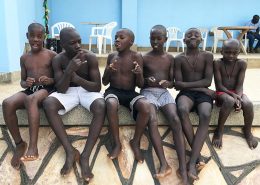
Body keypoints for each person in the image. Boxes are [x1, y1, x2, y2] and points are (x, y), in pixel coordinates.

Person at [42, 27, 105, 182]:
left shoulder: (90, 57)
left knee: (101, 106)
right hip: (68, 91)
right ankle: (70, 151)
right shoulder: (58, 59)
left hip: (86, 90)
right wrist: (69, 71)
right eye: (72, 43)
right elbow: (61, 88)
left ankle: (85, 156)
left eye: (79, 41)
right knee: (48, 103)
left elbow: (97, 87)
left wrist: (77, 79)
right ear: (62, 44)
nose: (77, 45)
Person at [2, 23, 56, 169]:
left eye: (39, 36)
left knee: (30, 99)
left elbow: (59, 79)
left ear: (44, 37)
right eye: (32, 36)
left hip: (47, 90)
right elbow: (22, 81)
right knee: (7, 103)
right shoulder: (24, 58)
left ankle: (33, 147)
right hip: (30, 90)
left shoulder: (51, 55)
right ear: (27, 36)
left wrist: (50, 80)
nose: (36, 39)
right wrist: (26, 83)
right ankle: (20, 144)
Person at [141, 25, 189, 183]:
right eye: (152, 38)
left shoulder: (170, 58)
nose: (155, 41)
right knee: (152, 119)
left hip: (163, 93)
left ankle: (182, 167)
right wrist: (145, 81)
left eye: (159, 38)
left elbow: (172, 81)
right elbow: (139, 82)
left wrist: (167, 83)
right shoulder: (144, 57)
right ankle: (164, 164)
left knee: (175, 120)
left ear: (165, 39)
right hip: (148, 92)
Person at [102, 28, 150, 164]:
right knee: (111, 103)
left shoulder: (136, 56)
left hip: (130, 93)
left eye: (121, 37)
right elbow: (104, 82)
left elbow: (140, 85)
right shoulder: (112, 56)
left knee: (146, 106)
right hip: (113, 91)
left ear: (131, 42)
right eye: (116, 37)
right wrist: (108, 71)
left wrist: (139, 74)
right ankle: (117, 143)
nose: (117, 39)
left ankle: (135, 142)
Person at [174, 28, 215, 180]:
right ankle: (197, 157)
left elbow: (208, 81)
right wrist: (202, 88)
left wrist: (189, 85)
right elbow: (178, 84)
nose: (192, 36)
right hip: (190, 94)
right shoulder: (178, 59)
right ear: (184, 40)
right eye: (188, 35)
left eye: (196, 34)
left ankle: (191, 163)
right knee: (182, 108)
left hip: (203, 93)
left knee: (205, 113)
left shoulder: (207, 56)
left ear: (201, 40)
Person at [212, 38, 258, 150]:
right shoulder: (217, 63)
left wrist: (238, 97)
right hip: (222, 92)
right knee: (229, 100)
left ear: (239, 52)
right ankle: (219, 131)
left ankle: (247, 131)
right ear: (221, 51)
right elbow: (219, 86)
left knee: (247, 103)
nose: (231, 55)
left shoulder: (242, 63)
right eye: (227, 52)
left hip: (236, 92)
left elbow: (239, 85)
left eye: (234, 53)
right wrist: (234, 97)